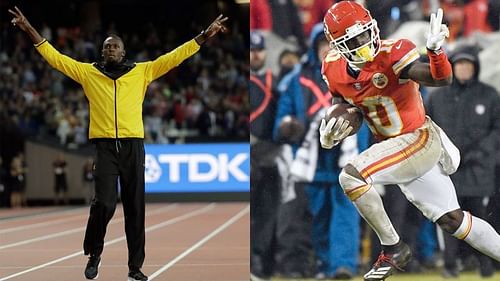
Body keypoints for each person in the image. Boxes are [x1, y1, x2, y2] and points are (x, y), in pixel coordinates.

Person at [9, 6, 228, 281]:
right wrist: (29, 28)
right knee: (105, 204)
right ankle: (94, 253)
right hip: (104, 147)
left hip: (133, 146)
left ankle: (135, 267)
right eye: (107, 47)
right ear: (102, 52)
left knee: (135, 208)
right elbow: (56, 58)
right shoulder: (88, 73)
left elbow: (174, 58)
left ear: (123, 53)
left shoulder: (143, 72)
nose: (111, 50)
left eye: (115, 47)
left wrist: (203, 36)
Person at [318, 2, 500, 280]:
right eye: (354, 39)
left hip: (417, 139)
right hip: (392, 149)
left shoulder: (394, 52)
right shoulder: (332, 68)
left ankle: (393, 248)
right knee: (454, 220)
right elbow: (348, 108)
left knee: (352, 177)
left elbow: (440, 79)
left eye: (366, 33)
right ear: (337, 45)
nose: (365, 42)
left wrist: (437, 53)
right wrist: (334, 127)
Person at [274, 23, 370, 279]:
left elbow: (368, 113)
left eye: (333, 45)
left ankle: (343, 266)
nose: (327, 49)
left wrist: (360, 146)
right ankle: (323, 263)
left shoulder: (357, 75)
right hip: (313, 161)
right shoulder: (296, 79)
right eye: (323, 45)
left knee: (345, 214)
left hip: (347, 158)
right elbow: (283, 114)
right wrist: (286, 126)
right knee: (318, 216)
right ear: (315, 48)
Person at [426, 45, 500, 278]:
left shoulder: (489, 95)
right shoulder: (438, 96)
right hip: (447, 171)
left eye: (468, 65)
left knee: (481, 218)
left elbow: (497, 130)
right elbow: (427, 129)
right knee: (448, 218)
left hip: (479, 170)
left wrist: (480, 153)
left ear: (475, 67)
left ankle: (486, 266)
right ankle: (450, 265)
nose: (464, 69)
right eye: (459, 64)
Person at [249, 31, 281, 281]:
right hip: (248, 153)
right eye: (251, 50)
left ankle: (261, 261)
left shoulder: (275, 80)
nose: (255, 54)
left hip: (268, 152)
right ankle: (251, 260)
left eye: (259, 50)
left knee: (268, 212)